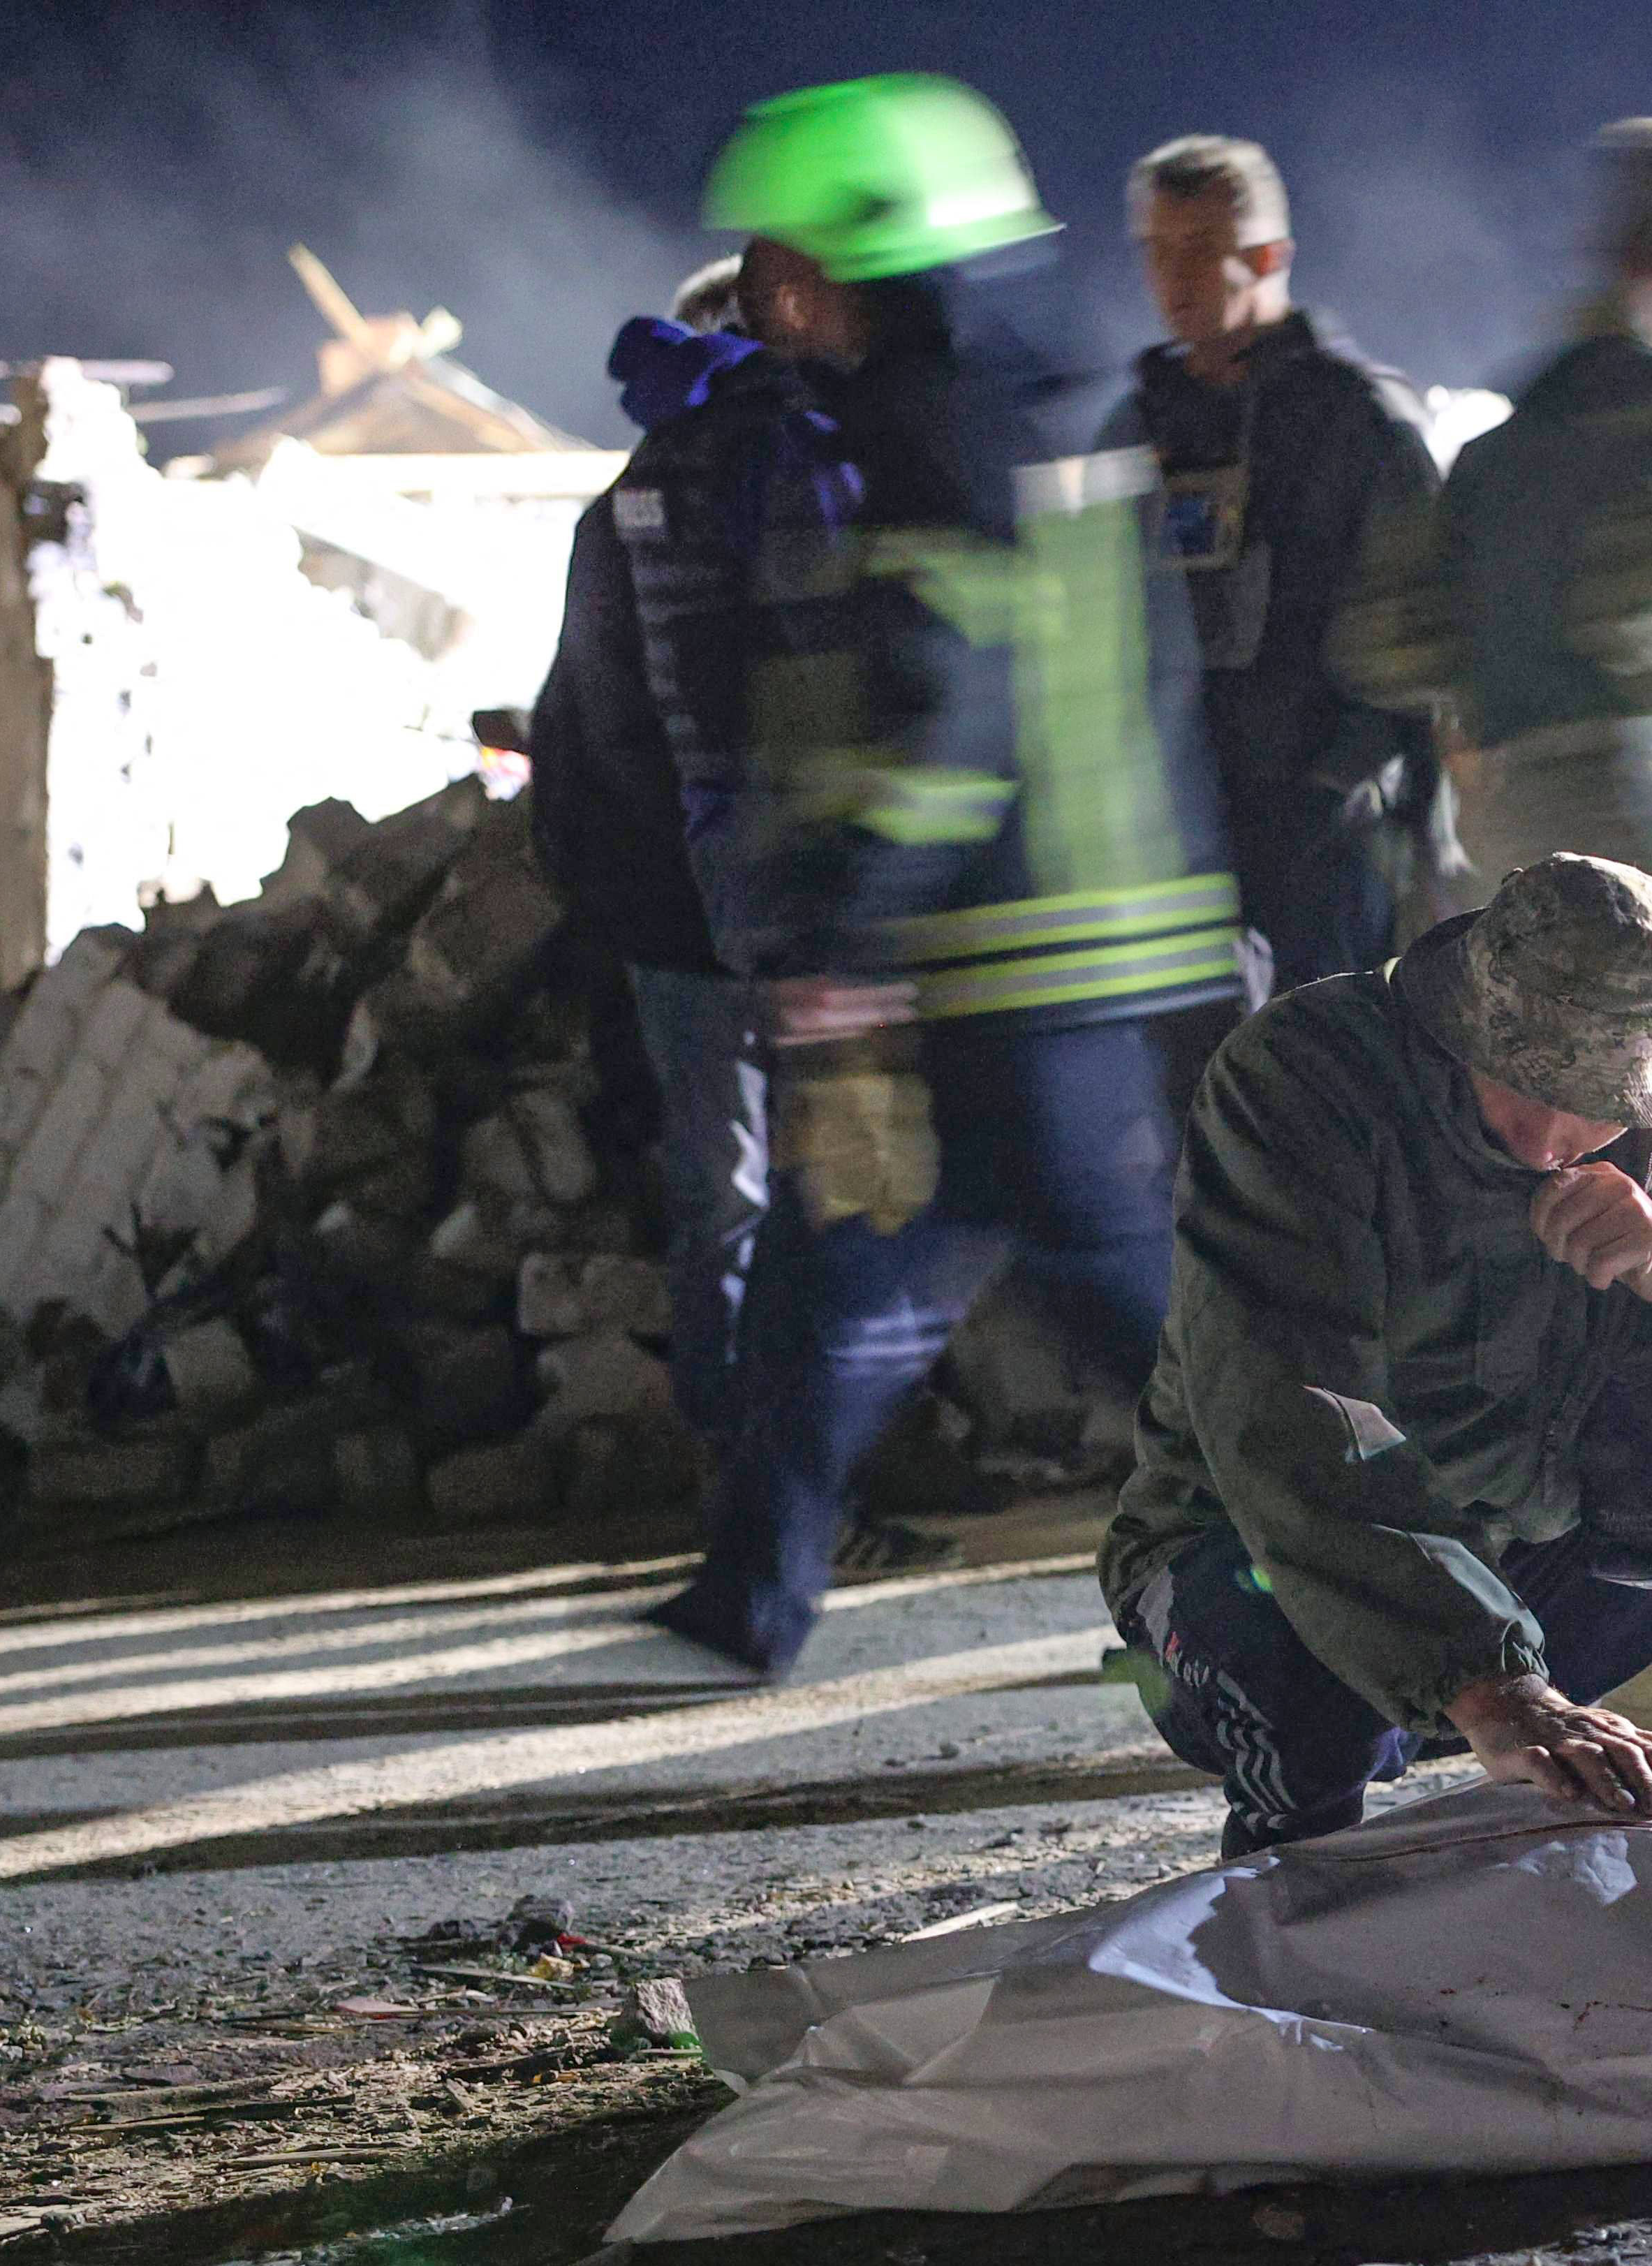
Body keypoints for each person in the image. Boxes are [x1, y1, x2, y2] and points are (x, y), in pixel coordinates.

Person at [645, 75, 1241, 1674]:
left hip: (1020, 942)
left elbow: (935, 694)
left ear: (867, 254)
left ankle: (1315, 1584)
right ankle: (750, 1592)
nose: (775, 291)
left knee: (1104, 1281)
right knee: (853, 1263)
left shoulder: (938, 421)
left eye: (792, 256)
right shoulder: (1053, 395)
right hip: (1074, 923)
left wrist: (847, 916)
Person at [1100, 853, 1652, 1857]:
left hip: (1546, 1561)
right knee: (1301, 1720)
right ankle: (1289, 1862)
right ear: (1462, 1018)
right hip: (1264, 1568)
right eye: (1521, 1079)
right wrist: (1493, 1683)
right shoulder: (1304, 1078)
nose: (1547, 1137)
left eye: (1604, 1097)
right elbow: (1290, 1422)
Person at [1339, 117, 1652, 1027]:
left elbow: (1392, 640)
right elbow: (1648, 641)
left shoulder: (1506, 436)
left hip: (1507, 813)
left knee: (1556, 1094)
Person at [1104, 135, 1447, 1001]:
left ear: (1266, 258)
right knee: (1192, 1076)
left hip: (1325, 824)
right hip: (1176, 822)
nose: (1171, 278)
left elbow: (1430, 625)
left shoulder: (1357, 417)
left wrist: (1354, 779)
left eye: (1197, 251)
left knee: (1334, 1066)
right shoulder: (1135, 428)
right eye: (1155, 250)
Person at [530, 257, 772, 1464]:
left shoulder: (647, 505)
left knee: (735, 1191)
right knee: (741, 1194)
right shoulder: (679, 506)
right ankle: (759, 1471)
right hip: (715, 916)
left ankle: (767, 1469)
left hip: (697, 916)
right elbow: (619, 735)